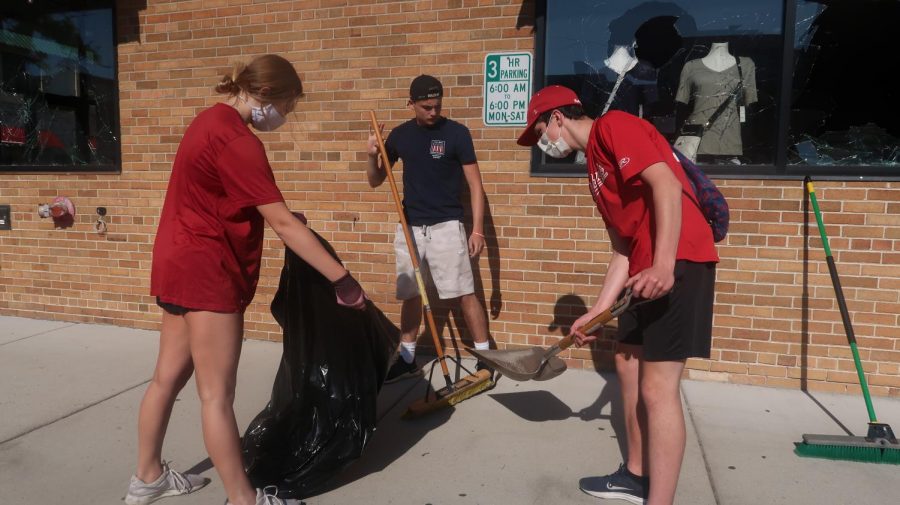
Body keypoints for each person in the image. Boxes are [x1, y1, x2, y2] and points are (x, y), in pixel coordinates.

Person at [125, 54, 366, 505]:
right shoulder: (239, 141)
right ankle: (244, 499)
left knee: (166, 379)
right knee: (216, 394)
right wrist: (343, 280)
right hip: (208, 269)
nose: (284, 118)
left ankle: (147, 476)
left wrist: (275, 213)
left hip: (177, 260)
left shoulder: (208, 121)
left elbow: (222, 195)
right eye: (288, 107)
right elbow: (285, 227)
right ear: (269, 95)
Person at [517, 85, 718, 505]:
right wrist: (597, 312)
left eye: (539, 132)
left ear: (556, 117)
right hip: (642, 268)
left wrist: (664, 263)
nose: (541, 143)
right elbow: (622, 248)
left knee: (658, 389)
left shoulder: (614, 126)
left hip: (679, 259)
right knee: (627, 367)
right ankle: (635, 475)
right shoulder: (593, 169)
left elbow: (664, 183)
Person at [365, 74, 491, 382]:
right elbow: (375, 179)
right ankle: (407, 357)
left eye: (437, 106)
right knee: (410, 293)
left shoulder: (457, 134)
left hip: (447, 226)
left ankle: (486, 359)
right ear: (411, 104)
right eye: (426, 107)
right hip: (410, 228)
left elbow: (476, 186)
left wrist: (477, 230)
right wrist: (372, 155)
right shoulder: (400, 136)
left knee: (464, 293)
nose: (433, 112)